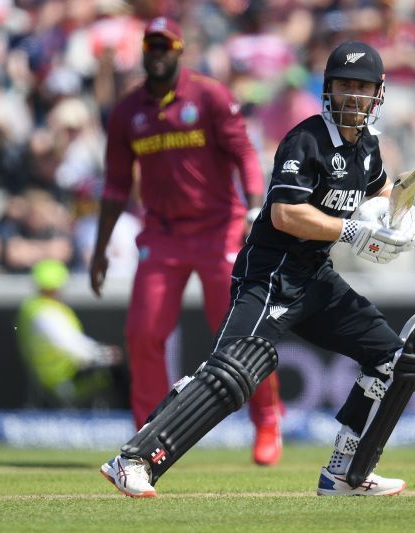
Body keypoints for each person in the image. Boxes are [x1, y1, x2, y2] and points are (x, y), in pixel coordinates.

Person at [99, 40, 415, 498]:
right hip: (270, 276)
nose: (353, 97)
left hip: (315, 278)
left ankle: (347, 472)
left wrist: (400, 216)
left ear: (378, 94)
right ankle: (133, 459)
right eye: (343, 86)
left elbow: (377, 192)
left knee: (396, 361)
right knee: (235, 371)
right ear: (327, 91)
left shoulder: (369, 148)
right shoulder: (306, 140)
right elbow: (285, 214)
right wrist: (353, 233)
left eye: (362, 87)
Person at [90, 17, 284, 465]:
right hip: (163, 234)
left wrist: (254, 210)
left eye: (165, 46)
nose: (157, 54)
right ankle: (148, 438)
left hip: (220, 228)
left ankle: (267, 418)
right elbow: (117, 185)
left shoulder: (209, 95)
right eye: (151, 46)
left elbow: (245, 156)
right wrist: (100, 249)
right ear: (142, 53)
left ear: (179, 51)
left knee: (240, 334)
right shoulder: (127, 111)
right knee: (142, 333)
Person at [16, 259, 125, 408]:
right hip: (63, 377)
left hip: (55, 375)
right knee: (117, 371)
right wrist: (104, 355)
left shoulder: (33, 308)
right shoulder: (45, 312)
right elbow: (72, 346)